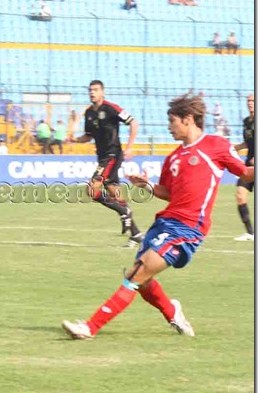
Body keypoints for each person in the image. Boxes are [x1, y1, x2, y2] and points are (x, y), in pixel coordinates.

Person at [62, 93, 255, 340]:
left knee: (136, 274)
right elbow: (169, 192)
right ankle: (172, 311)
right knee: (140, 279)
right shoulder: (173, 157)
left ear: (187, 119)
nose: (169, 127)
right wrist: (148, 185)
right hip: (163, 223)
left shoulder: (216, 146)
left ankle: (90, 327)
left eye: (172, 121)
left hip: (188, 228)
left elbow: (246, 173)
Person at [68, 80, 143, 246]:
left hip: (113, 155)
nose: (92, 93)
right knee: (113, 193)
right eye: (90, 90)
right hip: (102, 157)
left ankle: (124, 211)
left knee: (91, 189)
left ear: (102, 92)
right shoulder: (89, 113)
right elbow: (88, 136)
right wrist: (75, 139)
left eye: (95, 90)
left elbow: (133, 122)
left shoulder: (111, 108)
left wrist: (129, 147)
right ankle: (136, 234)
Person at [233, 94, 254, 241]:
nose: (250, 103)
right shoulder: (247, 121)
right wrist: (237, 147)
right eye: (248, 101)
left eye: (253, 101)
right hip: (248, 166)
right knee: (240, 195)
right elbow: (248, 141)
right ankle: (250, 233)